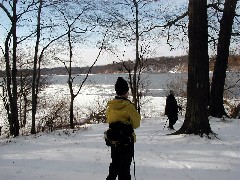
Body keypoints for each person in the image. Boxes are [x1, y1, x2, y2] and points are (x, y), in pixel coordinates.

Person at [106, 77, 141, 180]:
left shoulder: (111, 106)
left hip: (114, 141)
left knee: (114, 165)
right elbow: (136, 124)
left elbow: (109, 120)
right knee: (125, 169)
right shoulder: (129, 107)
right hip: (126, 141)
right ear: (126, 91)